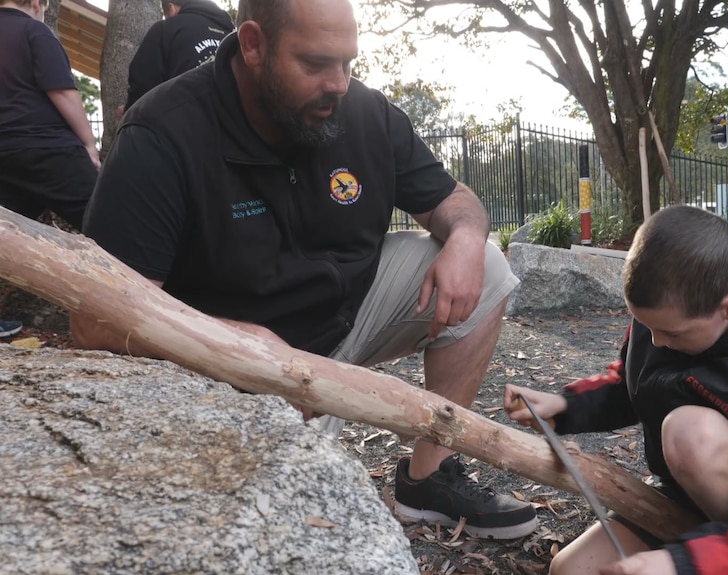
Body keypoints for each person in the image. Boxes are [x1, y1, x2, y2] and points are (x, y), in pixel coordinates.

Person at [74, 0, 538, 540]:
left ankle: (427, 478)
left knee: (485, 264)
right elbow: (95, 318)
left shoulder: (364, 113)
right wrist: (239, 342)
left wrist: (464, 235)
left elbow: (456, 200)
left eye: (348, 62)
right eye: (316, 63)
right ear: (253, 45)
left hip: (343, 317)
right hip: (231, 364)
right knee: (273, 529)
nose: (338, 83)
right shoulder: (163, 135)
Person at [504, 205, 728, 575]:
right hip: (689, 493)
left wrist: (680, 563)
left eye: (672, 333)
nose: (656, 341)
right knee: (570, 570)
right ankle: (705, 546)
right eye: (646, 326)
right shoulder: (667, 320)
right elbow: (632, 384)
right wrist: (564, 404)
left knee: (688, 431)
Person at [0, 0, 100, 232]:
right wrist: (89, 144)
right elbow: (62, 92)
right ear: (36, 4)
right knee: (107, 219)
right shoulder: (34, 31)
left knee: (10, 233)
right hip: (48, 149)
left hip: (4, 156)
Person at [124, 0, 234, 112]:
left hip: (183, 123)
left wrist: (129, 114)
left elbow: (143, 84)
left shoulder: (165, 29)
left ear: (171, 8)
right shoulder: (233, 36)